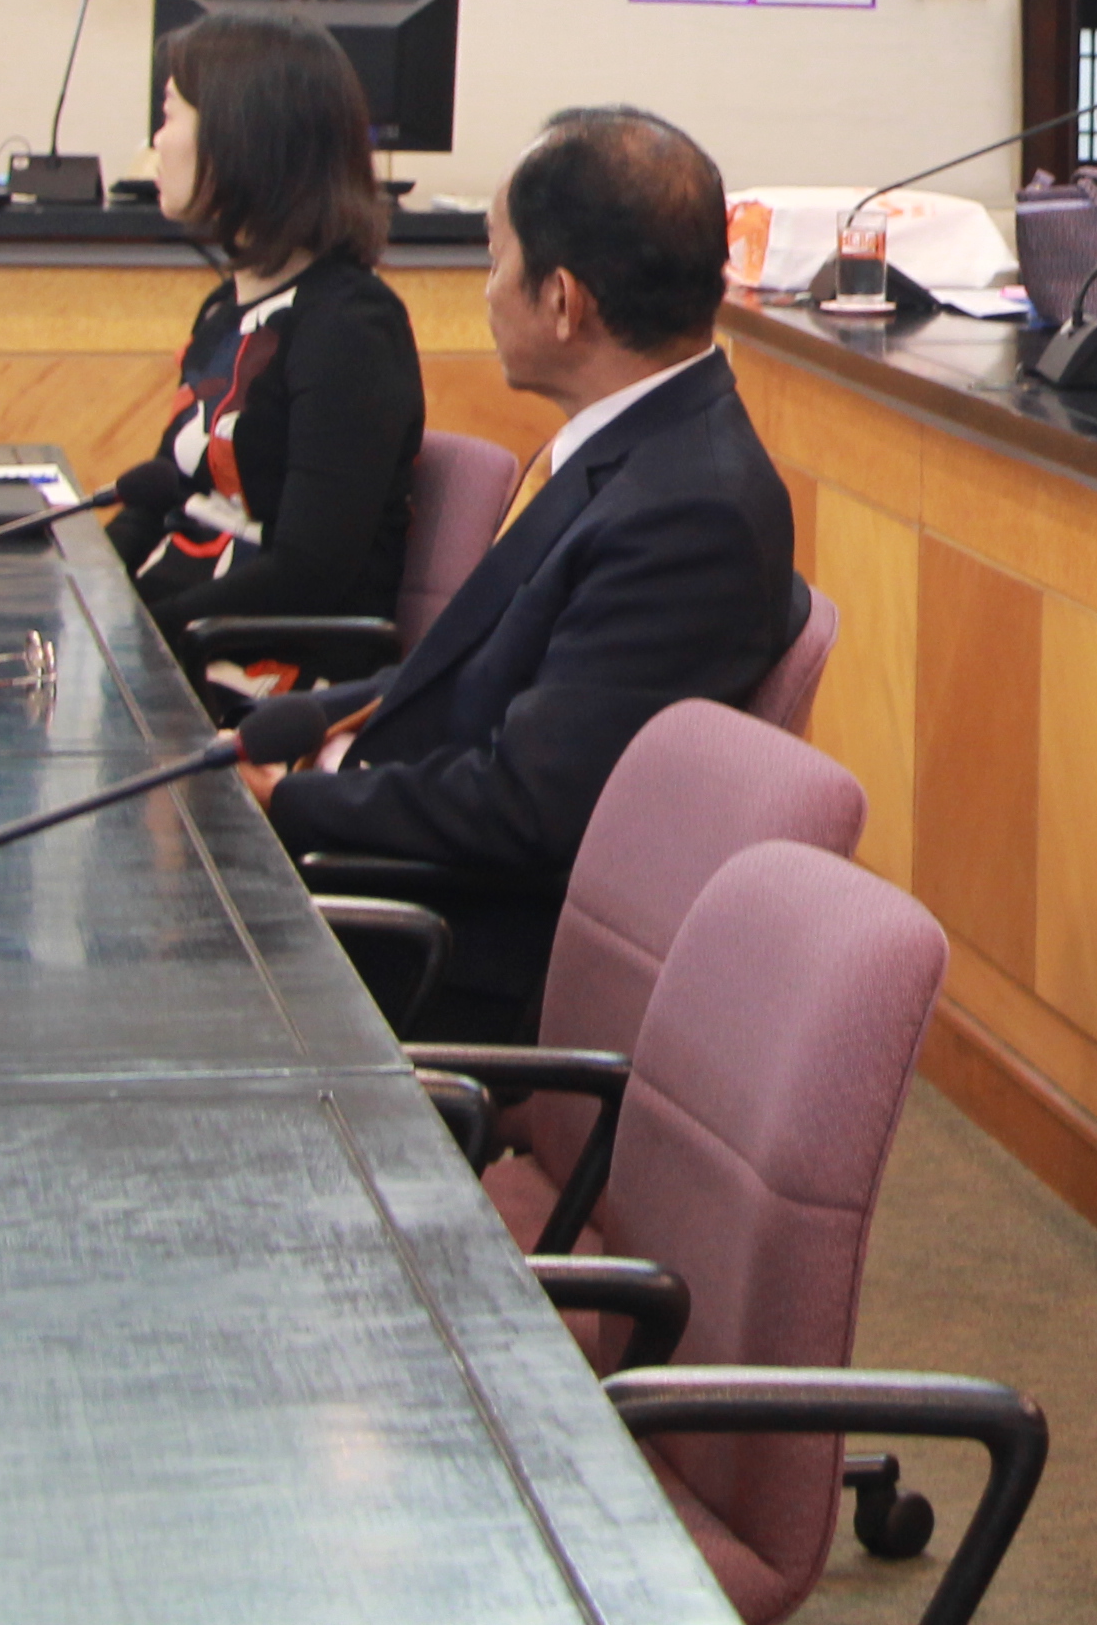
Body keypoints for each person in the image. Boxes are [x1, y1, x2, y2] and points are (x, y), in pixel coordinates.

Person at [236, 106, 808, 1029]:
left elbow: (528, 806)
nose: (486, 290)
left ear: (563, 301)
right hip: (401, 866)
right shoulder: (630, 443)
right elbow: (478, 668)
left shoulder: (687, 513)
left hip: (446, 953)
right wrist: (294, 731)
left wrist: (300, 804)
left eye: (495, 259)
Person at [108, 10, 423, 641]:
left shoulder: (348, 327)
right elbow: (161, 499)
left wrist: (141, 638)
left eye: (169, 116)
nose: (155, 144)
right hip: (178, 627)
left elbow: (310, 571)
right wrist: (82, 589)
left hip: (261, 658)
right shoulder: (224, 308)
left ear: (240, 136)